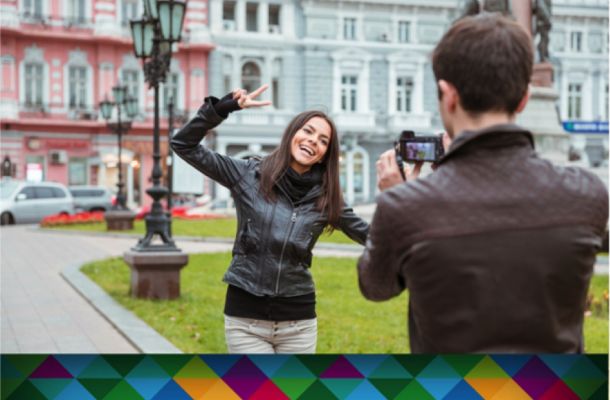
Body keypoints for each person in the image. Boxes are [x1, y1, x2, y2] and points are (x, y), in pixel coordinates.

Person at [357, 14, 608, 353]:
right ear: (524, 98)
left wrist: (400, 196)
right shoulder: (586, 194)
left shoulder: (405, 206)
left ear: (448, 96)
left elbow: (375, 286)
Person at [171, 85, 369, 353]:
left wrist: (405, 195)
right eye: (308, 131)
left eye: (323, 140)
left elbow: (373, 236)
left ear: (326, 155)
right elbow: (183, 144)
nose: (313, 141)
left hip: (298, 324)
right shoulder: (248, 174)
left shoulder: (327, 198)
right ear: (292, 134)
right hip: (246, 320)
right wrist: (223, 108)